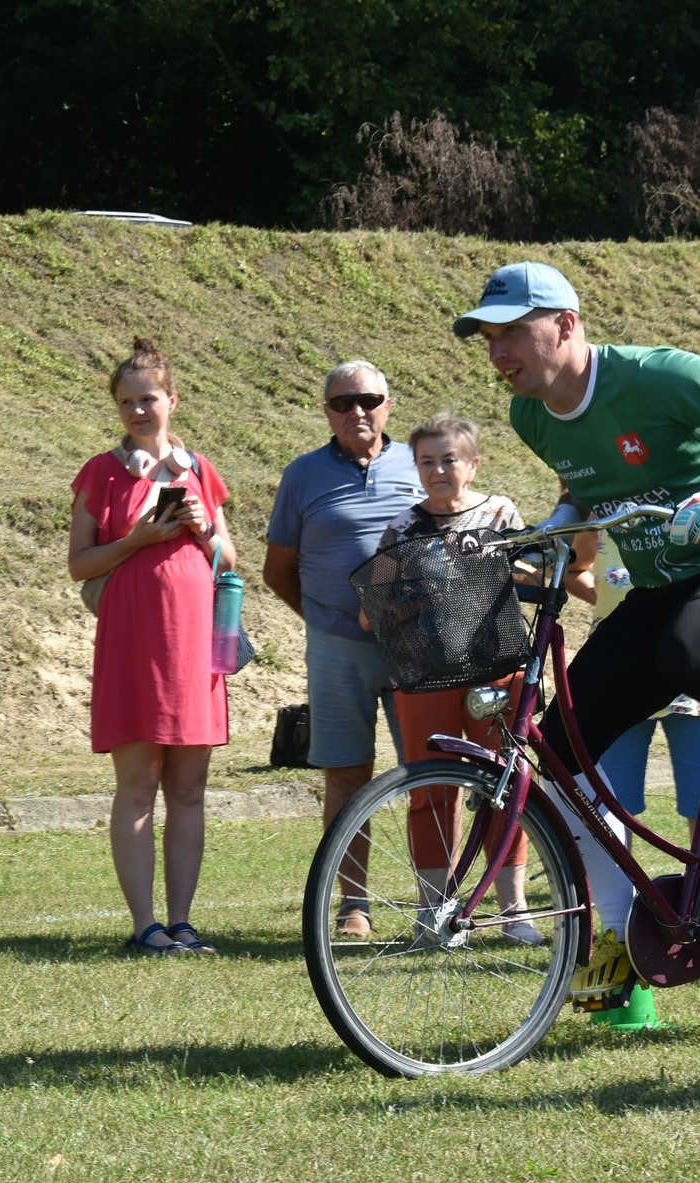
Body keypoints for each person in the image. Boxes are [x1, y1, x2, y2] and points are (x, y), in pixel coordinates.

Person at [454, 260, 700, 1001]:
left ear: (566, 324)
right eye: (488, 338)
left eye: (511, 333)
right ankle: (616, 937)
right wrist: (563, 523)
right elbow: (588, 475)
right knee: (559, 752)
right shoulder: (529, 414)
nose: (498, 353)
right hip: (668, 584)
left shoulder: (653, 376)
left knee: (692, 652)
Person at [68, 339, 236, 955]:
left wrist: (197, 526)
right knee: (138, 785)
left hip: (194, 649)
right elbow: (79, 564)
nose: (139, 411)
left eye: (149, 399)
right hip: (133, 646)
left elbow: (228, 558)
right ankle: (146, 925)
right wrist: (136, 540)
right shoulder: (101, 472)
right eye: (127, 402)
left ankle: (183, 920)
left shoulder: (199, 469)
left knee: (189, 788)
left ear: (173, 400)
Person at [264, 360, 426, 939]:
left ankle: (438, 900)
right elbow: (277, 570)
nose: (357, 412)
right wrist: (324, 622)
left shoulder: (421, 462)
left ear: (388, 403)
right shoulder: (302, 475)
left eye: (369, 399)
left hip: (418, 647)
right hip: (337, 646)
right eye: (342, 403)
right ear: (326, 411)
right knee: (347, 778)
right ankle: (353, 904)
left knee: (430, 775)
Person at [367, 413, 538, 943]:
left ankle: (514, 910)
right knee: (431, 788)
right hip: (427, 674)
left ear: (473, 464)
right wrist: (421, 592)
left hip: (496, 667)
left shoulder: (500, 511)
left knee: (504, 786)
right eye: (427, 461)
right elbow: (369, 613)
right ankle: (435, 912)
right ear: (415, 467)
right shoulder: (401, 528)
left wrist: (493, 565)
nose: (438, 469)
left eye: (449, 459)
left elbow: (537, 575)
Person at [566, 530, 700, 824]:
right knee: (610, 807)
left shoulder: (689, 509)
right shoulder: (601, 518)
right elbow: (574, 570)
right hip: (617, 677)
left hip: (688, 672)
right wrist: (621, 606)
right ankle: (619, 873)